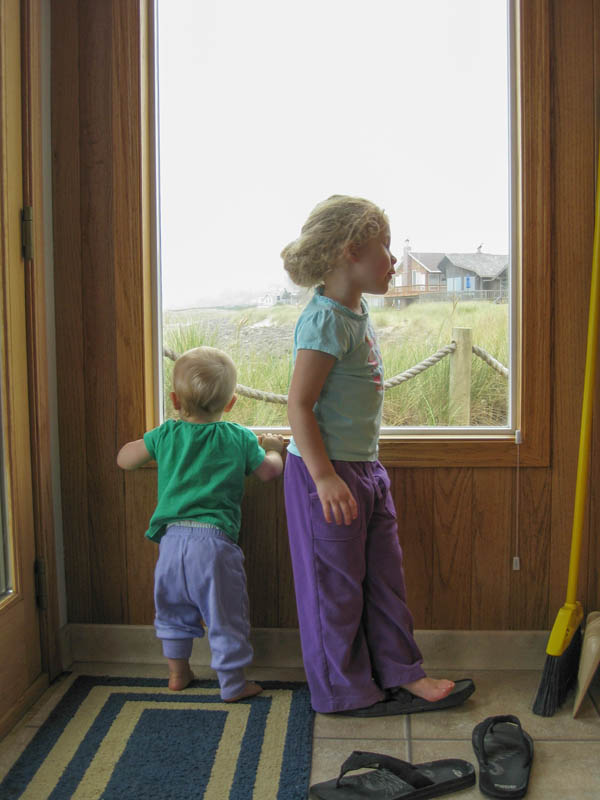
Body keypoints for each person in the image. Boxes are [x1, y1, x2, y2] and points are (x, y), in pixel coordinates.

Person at [281, 195, 474, 715]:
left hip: (364, 468)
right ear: (350, 252)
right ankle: (344, 691)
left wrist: (358, 473)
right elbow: (298, 407)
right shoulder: (322, 321)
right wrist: (323, 478)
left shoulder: (355, 312)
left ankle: (400, 672)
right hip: (325, 475)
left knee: (386, 578)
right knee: (334, 590)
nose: (393, 259)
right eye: (385, 248)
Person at [117, 345, 285, 701]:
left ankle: (178, 673)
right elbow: (269, 473)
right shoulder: (237, 436)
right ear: (231, 403)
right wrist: (273, 448)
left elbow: (125, 460)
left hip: (171, 544)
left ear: (175, 401)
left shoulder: (166, 434)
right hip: (213, 545)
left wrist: (151, 444)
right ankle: (234, 684)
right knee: (226, 616)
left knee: (173, 609)